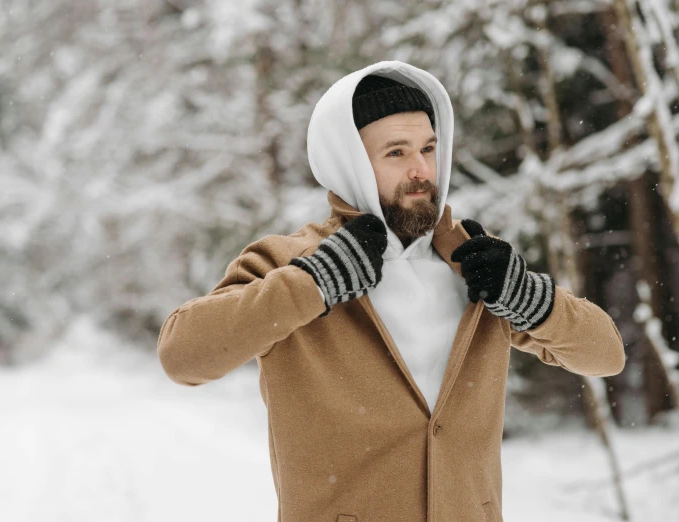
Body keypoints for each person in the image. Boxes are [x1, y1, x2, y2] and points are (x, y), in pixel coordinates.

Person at [157, 60, 625, 522]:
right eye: (396, 153)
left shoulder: (475, 263)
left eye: (429, 148)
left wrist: (525, 294)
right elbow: (183, 356)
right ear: (351, 163)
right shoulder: (289, 262)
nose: (422, 169)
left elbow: (605, 355)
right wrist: (316, 281)